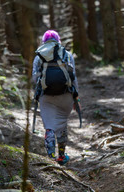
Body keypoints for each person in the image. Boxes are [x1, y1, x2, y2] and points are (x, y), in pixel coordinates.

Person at [32, 30, 80, 165]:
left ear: (44, 41)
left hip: (46, 96)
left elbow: (34, 78)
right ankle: (62, 156)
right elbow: (73, 77)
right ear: (58, 40)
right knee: (62, 124)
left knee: (50, 127)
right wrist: (77, 98)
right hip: (66, 96)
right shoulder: (67, 54)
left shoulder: (39, 56)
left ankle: (51, 158)